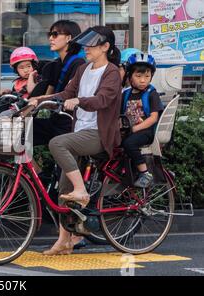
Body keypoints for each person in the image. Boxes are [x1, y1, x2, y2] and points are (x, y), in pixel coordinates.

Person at [31, 26, 122, 256]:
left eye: (92, 45)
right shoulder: (83, 69)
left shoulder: (111, 72)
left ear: (105, 47)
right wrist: (39, 99)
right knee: (63, 191)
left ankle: (81, 190)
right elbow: (65, 94)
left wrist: (79, 101)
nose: (87, 48)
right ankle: (65, 241)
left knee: (57, 143)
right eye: (86, 45)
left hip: (99, 134)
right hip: (81, 131)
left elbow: (103, 100)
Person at [29, 20, 85, 147]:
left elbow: (68, 94)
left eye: (55, 34)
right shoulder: (56, 63)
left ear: (69, 38)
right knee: (24, 133)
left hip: (69, 121)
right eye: (50, 34)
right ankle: (32, 168)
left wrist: (37, 100)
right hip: (56, 118)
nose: (50, 38)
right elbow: (49, 92)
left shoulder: (78, 64)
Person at [121, 53, 164, 188]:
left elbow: (153, 118)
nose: (143, 80)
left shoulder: (151, 93)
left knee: (129, 144)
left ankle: (145, 173)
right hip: (129, 130)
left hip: (145, 132)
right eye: (138, 76)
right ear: (130, 76)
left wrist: (135, 129)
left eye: (147, 76)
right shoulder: (125, 94)